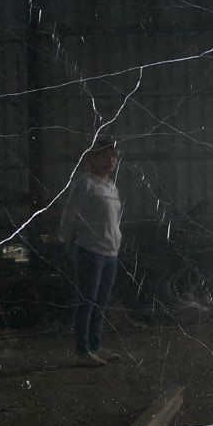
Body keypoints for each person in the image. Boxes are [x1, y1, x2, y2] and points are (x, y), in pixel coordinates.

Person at [59, 137, 123, 366]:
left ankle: (95, 346)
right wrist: (67, 242)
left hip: (110, 253)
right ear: (93, 158)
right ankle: (83, 350)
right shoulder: (85, 183)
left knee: (100, 302)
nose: (110, 160)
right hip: (90, 250)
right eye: (105, 155)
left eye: (113, 156)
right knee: (87, 301)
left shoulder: (112, 187)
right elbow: (69, 215)